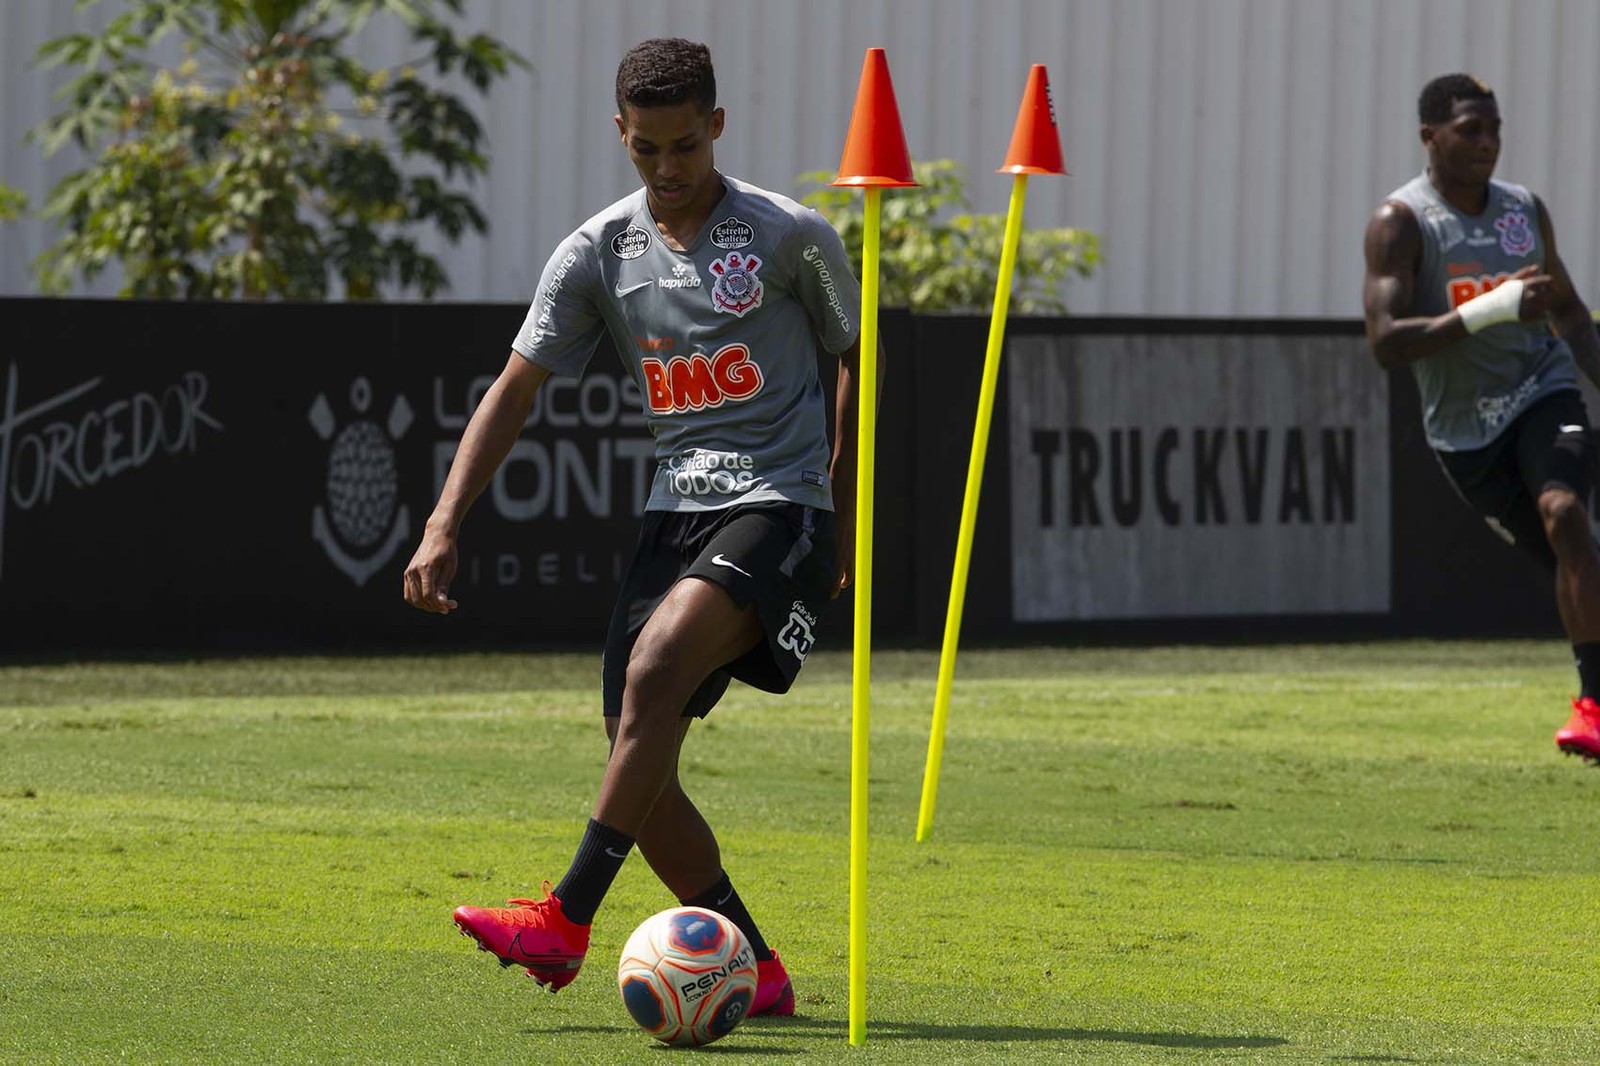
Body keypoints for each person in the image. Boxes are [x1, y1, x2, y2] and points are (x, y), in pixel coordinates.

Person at [401, 38, 865, 1014]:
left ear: (718, 128)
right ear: (621, 133)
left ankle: (563, 919)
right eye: (645, 149)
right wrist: (445, 520)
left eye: (685, 146)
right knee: (634, 752)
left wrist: (843, 514)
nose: (667, 168)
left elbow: (855, 361)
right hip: (674, 512)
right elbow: (513, 389)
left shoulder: (790, 237)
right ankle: (760, 967)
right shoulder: (597, 251)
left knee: (655, 674)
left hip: (781, 502)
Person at [1362, 73, 1600, 760]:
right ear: (1429, 137)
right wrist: (1491, 307)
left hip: (1542, 392)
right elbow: (1385, 343)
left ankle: (1591, 710)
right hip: (1466, 437)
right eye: (1471, 129)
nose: (1488, 142)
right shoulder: (1400, 222)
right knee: (1571, 557)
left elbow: (1570, 314)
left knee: (1565, 514)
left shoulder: (1524, 210)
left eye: (1495, 128)